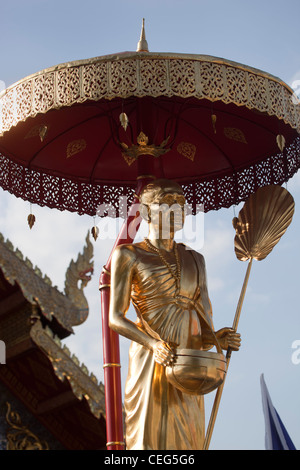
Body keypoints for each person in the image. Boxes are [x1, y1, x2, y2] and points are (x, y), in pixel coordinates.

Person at [109, 178, 241, 450]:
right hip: (152, 356)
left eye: (181, 204)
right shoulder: (130, 255)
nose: (177, 210)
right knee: (149, 438)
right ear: (146, 213)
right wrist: (153, 344)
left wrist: (217, 339)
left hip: (190, 363)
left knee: (188, 440)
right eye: (167, 203)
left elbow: (204, 323)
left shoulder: (195, 259)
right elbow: (115, 317)